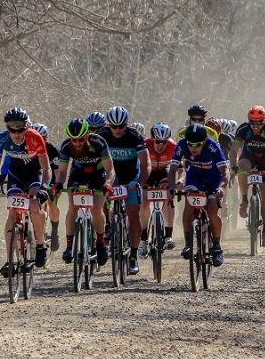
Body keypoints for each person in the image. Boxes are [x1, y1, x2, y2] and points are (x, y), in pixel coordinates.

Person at [0, 107, 51, 274]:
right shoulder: (1, 139)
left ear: (27, 126)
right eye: (11, 129)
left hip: (34, 175)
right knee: (12, 213)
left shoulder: (35, 138)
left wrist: (44, 188)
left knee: (34, 206)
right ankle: (9, 261)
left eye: (20, 129)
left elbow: (46, 169)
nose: (16, 133)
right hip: (15, 176)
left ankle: (40, 244)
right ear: (6, 127)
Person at [97, 105, 150, 275]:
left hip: (130, 178)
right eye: (114, 126)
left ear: (127, 125)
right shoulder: (102, 136)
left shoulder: (135, 136)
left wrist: (139, 182)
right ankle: (104, 231)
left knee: (133, 214)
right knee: (97, 205)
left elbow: (145, 164)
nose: (118, 130)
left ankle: (133, 255)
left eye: (121, 126)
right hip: (111, 176)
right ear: (108, 125)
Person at [55, 118, 115, 267]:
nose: (77, 143)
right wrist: (58, 184)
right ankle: (69, 247)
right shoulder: (65, 146)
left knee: (96, 208)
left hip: (98, 174)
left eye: (81, 139)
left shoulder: (99, 142)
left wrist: (107, 184)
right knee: (73, 207)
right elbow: (62, 172)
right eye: (74, 140)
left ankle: (100, 244)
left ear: (87, 135)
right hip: (78, 174)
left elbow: (110, 170)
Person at [169, 124, 229, 266]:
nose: (193, 148)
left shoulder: (212, 147)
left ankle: (216, 247)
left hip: (213, 179)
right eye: (190, 144)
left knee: (212, 209)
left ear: (204, 142)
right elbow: (172, 170)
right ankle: (188, 243)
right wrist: (171, 188)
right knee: (189, 204)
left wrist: (221, 188)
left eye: (197, 145)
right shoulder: (182, 145)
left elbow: (224, 172)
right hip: (194, 177)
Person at [230, 105, 265, 247]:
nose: (255, 126)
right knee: (242, 167)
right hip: (249, 157)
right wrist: (232, 166)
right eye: (252, 122)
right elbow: (234, 150)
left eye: (259, 122)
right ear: (248, 121)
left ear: (264, 121)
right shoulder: (243, 129)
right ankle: (244, 200)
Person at [140, 122, 177, 256]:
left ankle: (168, 235)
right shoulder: (144, 145)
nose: (161, 145)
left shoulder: (173, 146)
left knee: (168, 196)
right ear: (152, 138)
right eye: (158, 141)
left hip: (164, 171)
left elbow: (181, 166)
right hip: (147, 172)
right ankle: (143, 238)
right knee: (144, 202)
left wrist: (178, 182)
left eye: (164, 142)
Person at [32, 122, 62, 251]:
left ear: (46, 138)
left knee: (51, 202)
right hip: (36, 179)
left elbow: (57, 171)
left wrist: (54, 187)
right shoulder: (28, 148)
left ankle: (54, 230)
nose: (39, 141)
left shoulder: (52, 149)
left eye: (43, 138)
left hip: (51, 180)